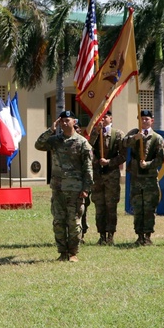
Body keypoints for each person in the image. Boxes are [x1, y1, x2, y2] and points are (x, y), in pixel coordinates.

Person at [34, 110, 94, 261]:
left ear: (75, 122)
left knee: (74, 222)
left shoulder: (82, 142)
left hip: (75, 189)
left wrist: (86, 188)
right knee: (59, 221)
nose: (64, 123)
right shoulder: (55, 140)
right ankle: (62, 252)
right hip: (58, 188)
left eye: (67, 120)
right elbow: (38, 144)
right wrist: (50, 130)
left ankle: (73, 253)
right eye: (62, 121)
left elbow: (88, 167)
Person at [120, 109, 164, 246]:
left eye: (147, 119)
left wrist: (148, 164)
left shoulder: (157, 138)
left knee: (149, 208)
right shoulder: (134, 134)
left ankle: (148, 235)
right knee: (138, 208)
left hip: (150, 178)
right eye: (142, 118)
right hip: (136, 178)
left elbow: (160, 159)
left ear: (152, 121)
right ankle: (139, 235)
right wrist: (135, 138)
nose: (144, 121)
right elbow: (123, 143)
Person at [88, 110, 125, 245]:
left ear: (111, 118)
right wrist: (96, 133)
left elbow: (123, 155)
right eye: (100, 117)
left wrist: (109, 162)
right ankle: (101, 235)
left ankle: (110, 235)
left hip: (111, 175)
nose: (102, 120)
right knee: (99, 205)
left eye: (105, 117)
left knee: (111, 206)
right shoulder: (95, 133)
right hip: (98, 175)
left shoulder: (118, 134)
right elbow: (88, 147)